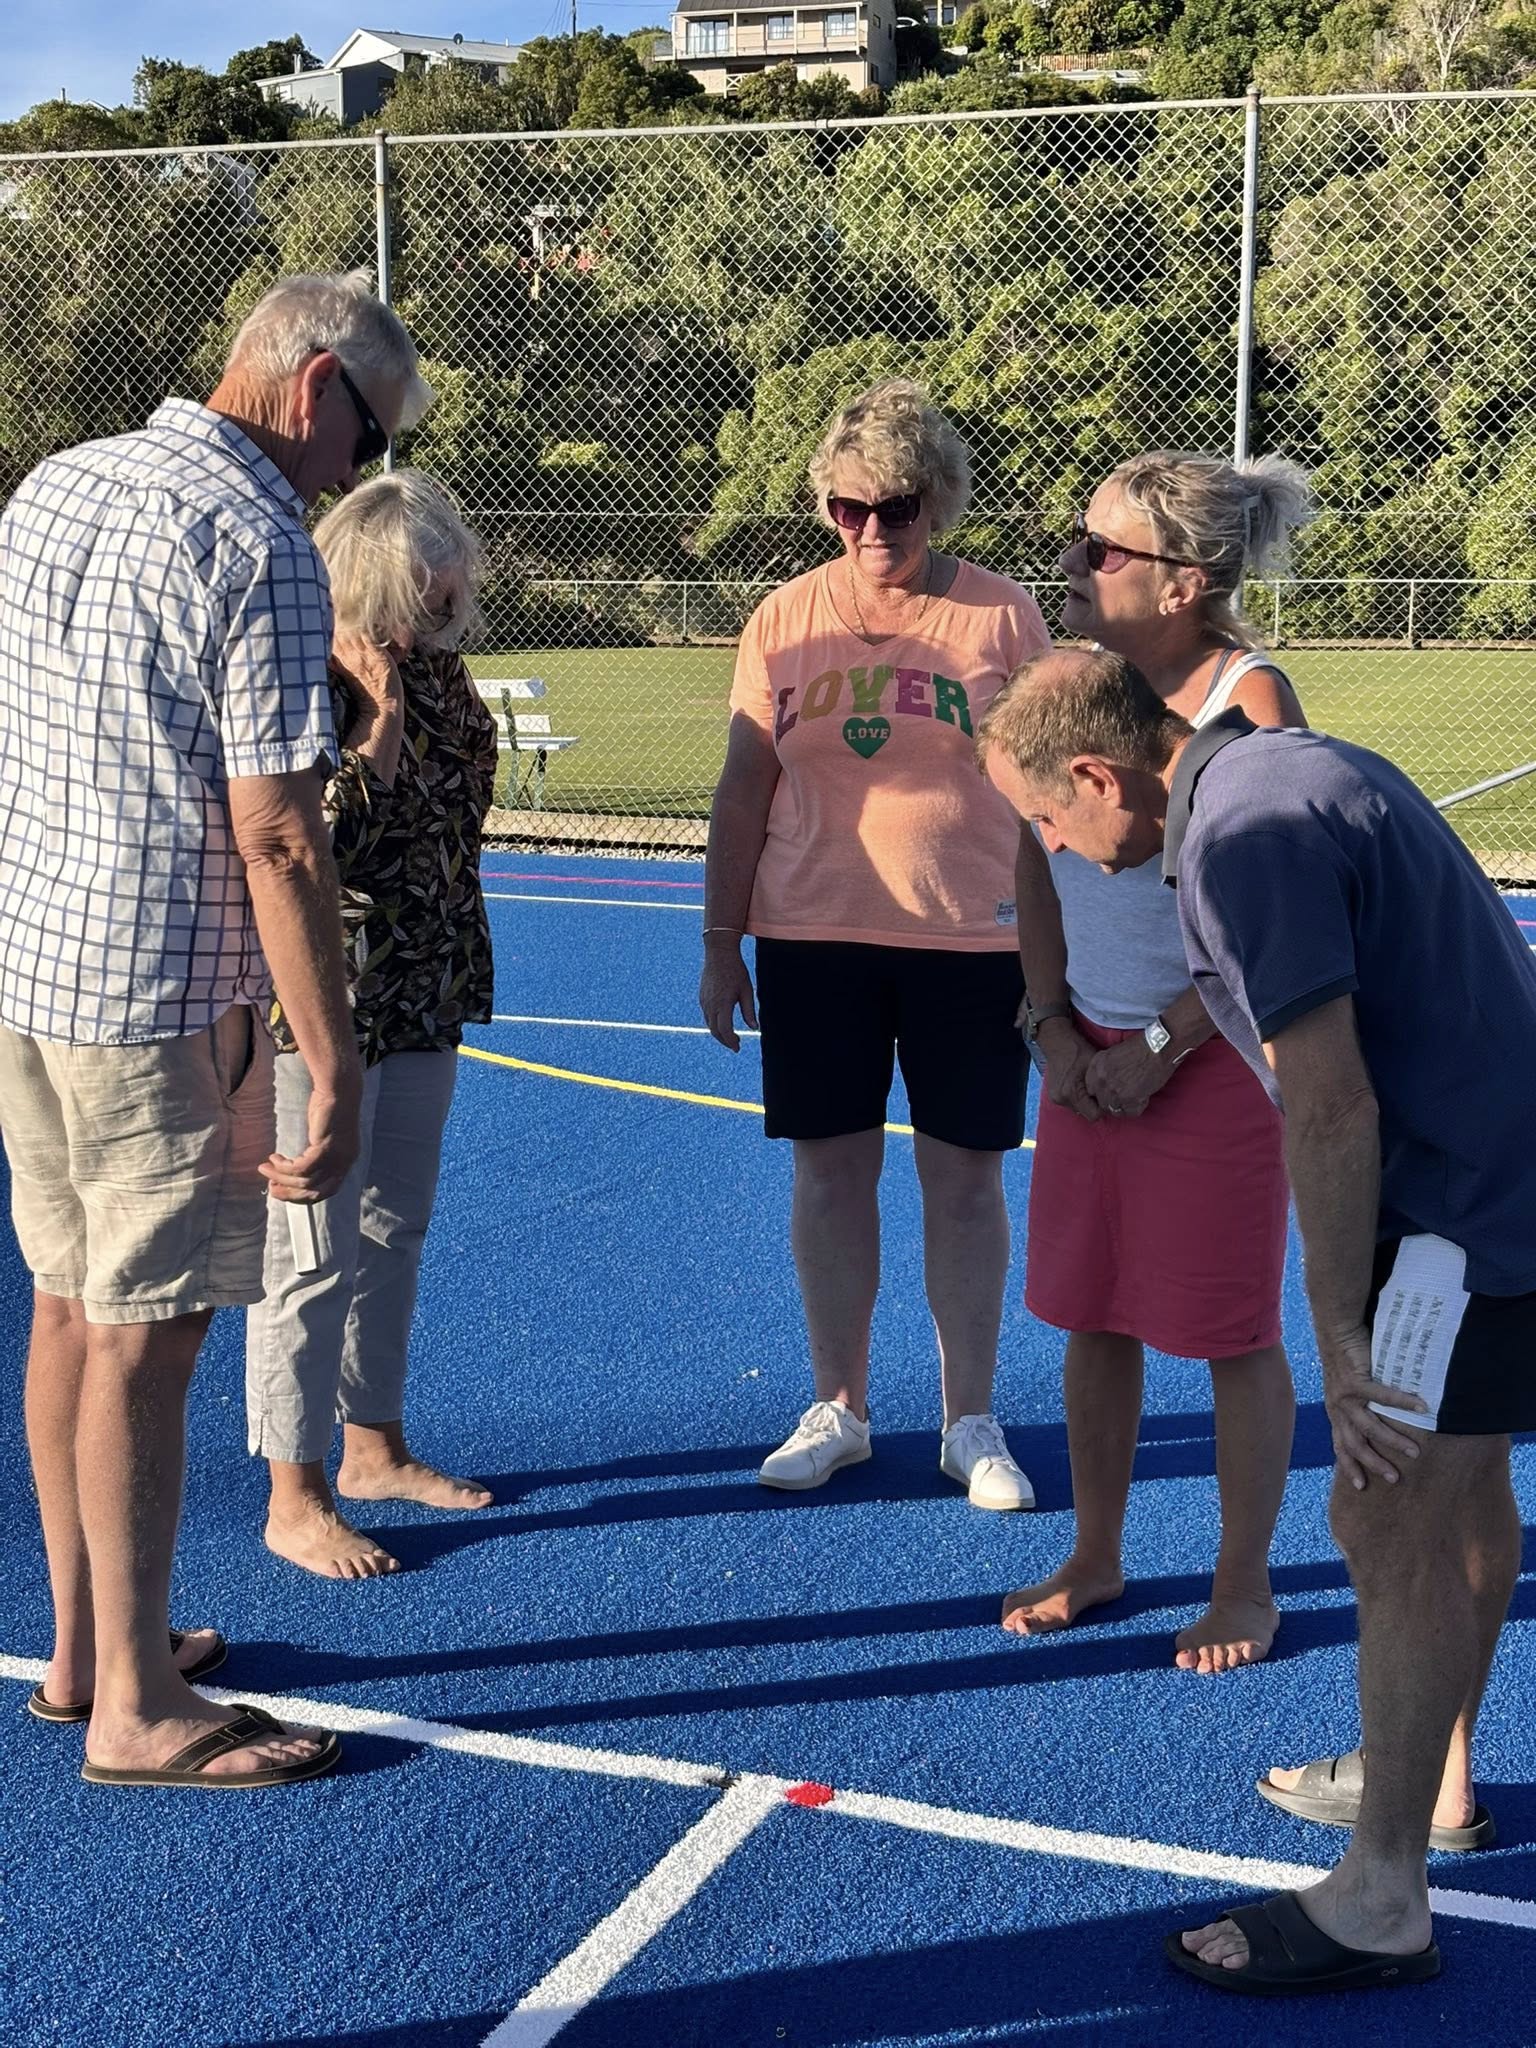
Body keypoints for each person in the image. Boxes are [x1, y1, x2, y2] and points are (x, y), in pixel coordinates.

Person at [978, 645, 1536, 1996]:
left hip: (1458, 1216)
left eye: (1050, 816)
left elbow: (1329, 1103)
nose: (1052, 844)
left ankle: (1384, 1894)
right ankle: (1427, 1786)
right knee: (1451, 1497)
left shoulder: (1242, 840)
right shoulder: (1280, 772)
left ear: (1102, 774)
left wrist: (1342, 1345)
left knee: (1381, 1504)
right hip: (1494, 1177)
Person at [0, 270, 432, 1788]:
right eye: (366, 438)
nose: (356, 475)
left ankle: (84, 1649)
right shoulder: (260, 540)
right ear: (315, 385)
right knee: (145, 1337)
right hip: (160, 994)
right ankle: (133, 1704)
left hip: (35, 971)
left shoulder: (54, 484)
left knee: (69, 1309)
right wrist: (331, 1062)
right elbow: (281, 837)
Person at [700, 379, 1049, 1507]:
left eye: (895, 506)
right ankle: (838, 1405)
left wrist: (1058, 947)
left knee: (964, 1185)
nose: (872, 531)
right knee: (832, 1178)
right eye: (848, 509)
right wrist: (720, 940)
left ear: (936, 501)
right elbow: (745, 784)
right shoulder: (783, 618)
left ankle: (971, 1418)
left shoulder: (1002, 616)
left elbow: (1047, 793)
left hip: (971, 940)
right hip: (813, 934)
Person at [1001, 452, 1312, 1673]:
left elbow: (1276, 920)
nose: (1073, 565)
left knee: (1234, 1330)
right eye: (1078, 542)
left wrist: (1163, 1042)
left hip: (1217, 1066)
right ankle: (1097, 1552)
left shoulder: (1253, 701)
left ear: (1182, 582)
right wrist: (1052, 1024)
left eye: (1101, 551)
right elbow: (1034, 853)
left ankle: (1245, 1584)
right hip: (1085, 1065)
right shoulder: (1072, 686)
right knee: (1092, 1315)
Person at [247, 470, 499, 1578]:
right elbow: (310, 846)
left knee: (396, 1225)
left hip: (427, 983)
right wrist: (376, 731)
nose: (442, 619)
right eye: (426, 600)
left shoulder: (443, 677)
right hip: (324, 1004)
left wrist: (412, 695)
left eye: (448, 600)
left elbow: (468, 804)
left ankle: (371, 1445)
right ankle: (291, 1491)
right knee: (307, 1249)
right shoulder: (302, 679)